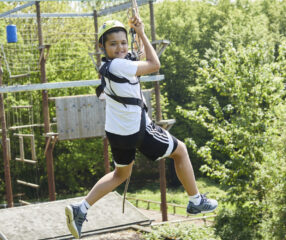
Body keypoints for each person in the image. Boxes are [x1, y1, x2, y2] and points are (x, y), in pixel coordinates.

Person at [65, 16, 218, 239]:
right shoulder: (120, 65)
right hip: (138, 130)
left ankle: (82, 208)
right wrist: (143, 33)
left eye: (123, 43)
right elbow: (154, 64)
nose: (120, 48)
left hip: (117, 134)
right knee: (181, 151)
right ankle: (196, 201)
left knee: (120, 174)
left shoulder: (107, 67)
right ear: (103, 46)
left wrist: (136, 37)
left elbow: (138, 61)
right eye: (113, 44)